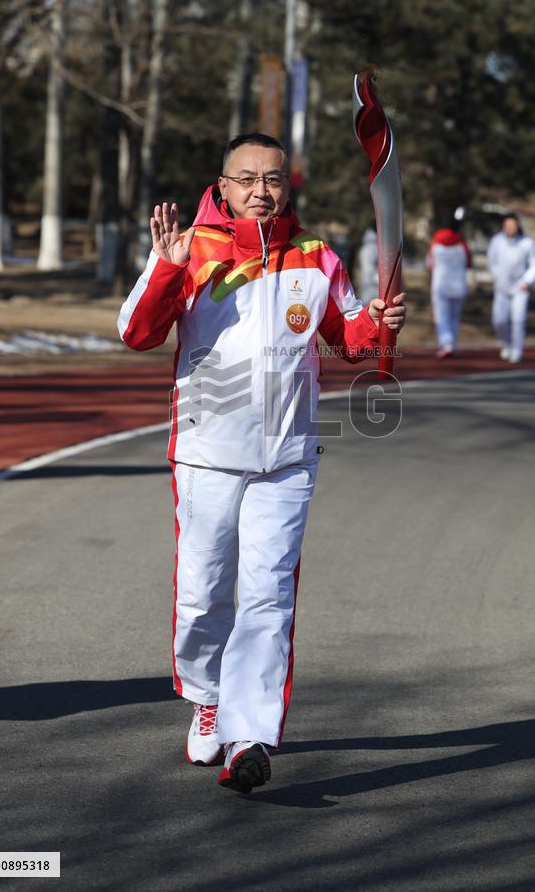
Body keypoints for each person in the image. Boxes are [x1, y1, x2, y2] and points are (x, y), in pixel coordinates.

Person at [117, 133, 406, 794]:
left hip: (288, 457)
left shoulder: (317, 256)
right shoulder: (190, 249)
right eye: (245, 179)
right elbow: (136, 333)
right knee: (202, 596)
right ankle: (208, 697)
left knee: (268, 596)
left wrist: (378, 321)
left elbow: (349, 338)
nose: (260, 191)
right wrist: (165, 270)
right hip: (207, 455)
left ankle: (248, 735)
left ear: (286, 186)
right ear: (223, 186)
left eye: (272, 179)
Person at [487, 212, 535, 364]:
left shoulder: (527, 243)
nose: (510, 228)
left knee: (518, 320)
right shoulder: (497, 241)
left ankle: (517, 350)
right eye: (507, 225)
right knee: (499, 320)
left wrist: (527, 281)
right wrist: (497, 277)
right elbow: (492, 261)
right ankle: (506, 343)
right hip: (502, 287)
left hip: (520, 288)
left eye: (513, 225)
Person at [427, 207, 473, 358]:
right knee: (454, 316)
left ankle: (446, 344)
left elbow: (430, 264)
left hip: (441, 285)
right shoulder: (462, 244)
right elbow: (469, 264)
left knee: (442, 316)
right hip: (459, 286)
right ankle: (452, 344)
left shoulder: (437, 241)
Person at [358, 224, 379, 304]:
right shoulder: (370, 247)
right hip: (370, 290)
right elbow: (369, 270)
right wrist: (384, 282)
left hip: (373, 288)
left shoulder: (372, 246)